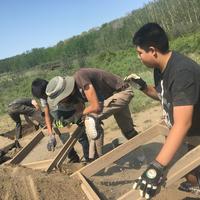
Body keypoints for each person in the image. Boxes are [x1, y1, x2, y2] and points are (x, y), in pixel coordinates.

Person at [124, 22, 200, 199]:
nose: (139, 57)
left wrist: (157, 166)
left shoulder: (182, 72)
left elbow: (183, 123)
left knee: (188, 159)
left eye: (139, 53)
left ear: (152, 50)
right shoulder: (160, 69)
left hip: (194, 128)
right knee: (190, 164)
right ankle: (195, 185)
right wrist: (143, 87)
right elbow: (163, 96)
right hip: (191, 131)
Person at [45, 68, 138, 161]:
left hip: (122, 93)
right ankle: (99, 159)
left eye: (60, 99)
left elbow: (95, 107)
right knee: (127, 131)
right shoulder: (74, 96)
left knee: (91, 119)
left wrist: (76, 116)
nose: (60, 101)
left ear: (64, 93)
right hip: (109, 100)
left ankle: (99, 158)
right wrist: (75, 119)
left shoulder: (80, 76)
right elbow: (82, 113)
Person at [31, 78, 89, 163]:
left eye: (45, 96)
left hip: (73, 110)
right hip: (59, 115)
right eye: (43, 97)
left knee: (81, 135)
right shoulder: (43, 97)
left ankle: (89, 157)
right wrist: (51, 135)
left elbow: (79, 103)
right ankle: (73, 158)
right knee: (64, 137)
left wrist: (78, 116)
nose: (46, 98)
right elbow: (47, 115)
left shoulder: (58, 89)